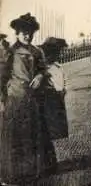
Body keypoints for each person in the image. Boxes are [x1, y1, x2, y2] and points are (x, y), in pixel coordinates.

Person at [0, 13, 56, 184]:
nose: (27, 35)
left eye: (30, 32)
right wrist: (1, 100)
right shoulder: (10, 52)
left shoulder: (37, 52)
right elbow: (2, 77)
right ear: (16, 33)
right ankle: (15, 173)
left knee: (35, 134)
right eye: (23, 32)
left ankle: (36, 169)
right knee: (15, 137)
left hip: (34, 100)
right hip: (15, 100)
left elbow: (43, 70)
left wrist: (40, 76)